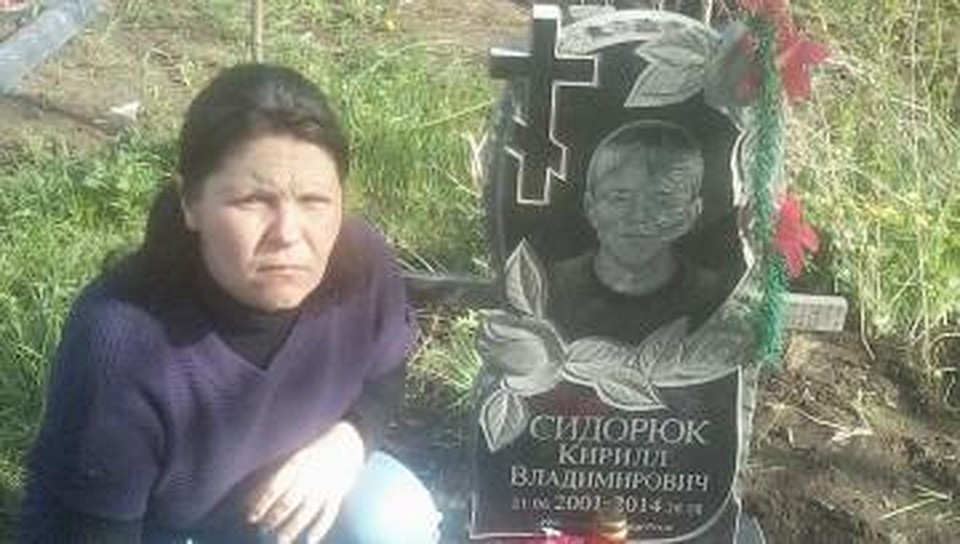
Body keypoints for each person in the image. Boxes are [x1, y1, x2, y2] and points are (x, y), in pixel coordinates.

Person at [18, 64, 441, 543]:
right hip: (147, 533)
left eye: (314, 200)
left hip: (275, 510)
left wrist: (348, 442)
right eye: (252, 200)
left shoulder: (362, 263)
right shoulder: (122, 343)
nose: (288, 234)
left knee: (392, 516)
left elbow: (384, 374)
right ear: (190, 202)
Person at [547, 120, 733, 344]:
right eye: (619, 197)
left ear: (691, 213)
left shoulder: (722, 301)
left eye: (662, 199)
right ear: (590, 207)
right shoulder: (545, 290)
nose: (638, 215)